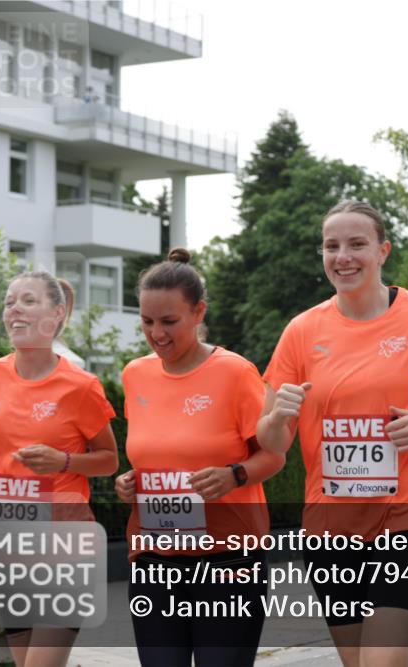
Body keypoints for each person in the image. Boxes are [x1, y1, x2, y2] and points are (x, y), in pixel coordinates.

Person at [258, 200, 408, 667]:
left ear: (383, 250)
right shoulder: (302, 331)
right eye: (331, 246)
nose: (343, 256)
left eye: (357, 244)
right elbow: (272, 444)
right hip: (332, 528)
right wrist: (277, 416)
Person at [114, 248, 285, 667]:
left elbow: (274, 456)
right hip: (154, 560)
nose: (157, 334)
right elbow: (158, 452)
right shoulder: (135, 374)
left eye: (169, 321)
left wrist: (236, 474)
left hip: (227, 562)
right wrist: (131, 480)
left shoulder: (235, 372)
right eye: (147, 321)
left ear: (198, 312)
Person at [0, 270, 118, 667]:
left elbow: (110, 460)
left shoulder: (80, 386)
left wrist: (63, 461)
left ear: (56, 314)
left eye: (28, 300)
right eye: (10, 302)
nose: (15, 310)